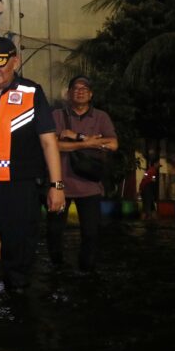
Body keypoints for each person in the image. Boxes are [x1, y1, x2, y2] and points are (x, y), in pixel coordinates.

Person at [0, 37, 65, 292]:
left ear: (15, 61)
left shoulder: (32, 92)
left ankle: (17, 292)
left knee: (19, 246)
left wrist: (56, 185)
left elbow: (48, 141)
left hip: (18, 187)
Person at [47, 75, 118, 272]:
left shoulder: (101, 117)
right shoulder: (57, 115)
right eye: (76, 88)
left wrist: (77, 137)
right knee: (54, 233)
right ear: (69, 93)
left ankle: (86, 270)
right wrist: (89, 143)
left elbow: (113, 144)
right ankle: (57, 268)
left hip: (90, 186)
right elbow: (52, 145)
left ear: (91, 94)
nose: (80, 92)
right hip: (60, 185)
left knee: (91, 233)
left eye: (84, 89)